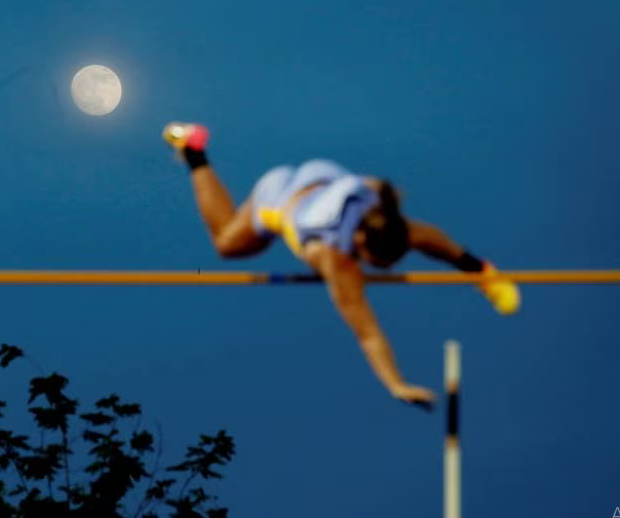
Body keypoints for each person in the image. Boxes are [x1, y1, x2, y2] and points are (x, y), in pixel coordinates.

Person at [163, 122, 520, 408]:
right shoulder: (335, 257)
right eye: (379, 263)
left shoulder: (394, 223)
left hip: (327, 181)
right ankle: (194, 152)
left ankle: (485, 275)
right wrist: (395, 383)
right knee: (227, 244)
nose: (386, 269)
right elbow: (366, 330)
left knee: (425, 238)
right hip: (280, 196)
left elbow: (440, 244)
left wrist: (484, 274)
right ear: (360, 245)